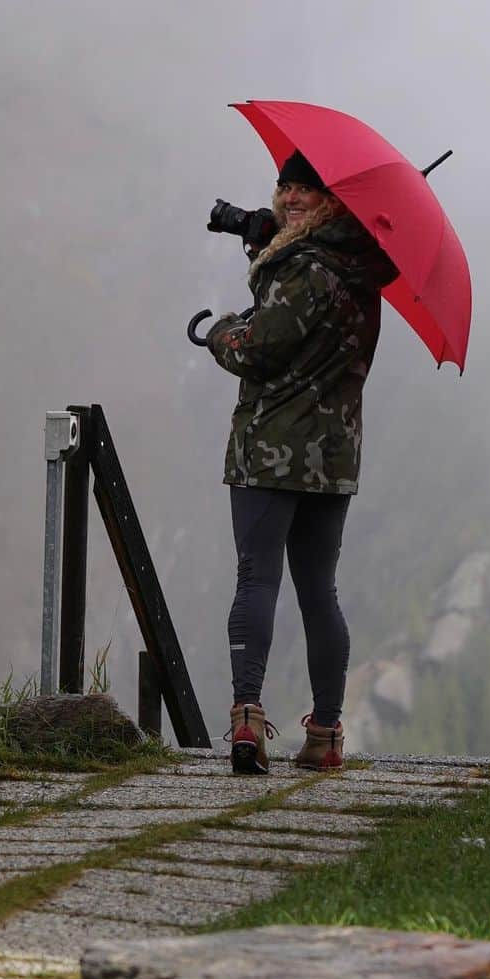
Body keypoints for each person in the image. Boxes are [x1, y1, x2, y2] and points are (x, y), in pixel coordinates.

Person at [205, 150, 396, 774]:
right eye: (285, 186)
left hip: (269, 453)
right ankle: (326, 734)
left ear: (333, 202)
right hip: (332, 458)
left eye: (306, 190)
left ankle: (246, 721)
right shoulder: (360, 272)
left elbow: (259, 352)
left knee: (256, 579)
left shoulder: (304, 271)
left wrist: (220, 333)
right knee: (320, 590)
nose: (290, 198)